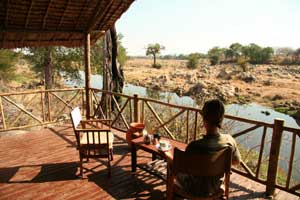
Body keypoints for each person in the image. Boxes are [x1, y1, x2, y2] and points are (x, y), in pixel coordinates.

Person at [165, 99, 241, 197]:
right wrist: (216, 165)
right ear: (222, 118)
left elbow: (179, 167)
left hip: (193, 189)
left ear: (204, 119)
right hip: (216, 187)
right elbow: (236, 161)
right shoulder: (229, 141)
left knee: (171, 166)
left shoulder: (194, 146)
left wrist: (167, 155)